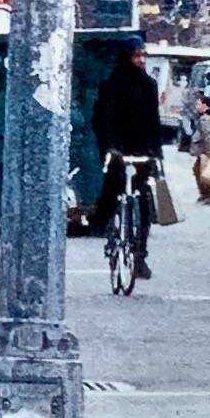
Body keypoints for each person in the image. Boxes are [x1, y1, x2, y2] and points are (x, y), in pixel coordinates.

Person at [90, 32, 167, 271]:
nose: (141, 60)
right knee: (114, 186)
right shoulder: (111, 85)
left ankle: (140, 254)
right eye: (136, 56)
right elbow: (103, 119)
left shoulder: (149, 85)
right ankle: (107, 226)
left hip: (142, 149)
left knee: (144, 201)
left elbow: (154, 122)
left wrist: (157, 153)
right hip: (118, 148)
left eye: (143, 55)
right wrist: (110, 147)